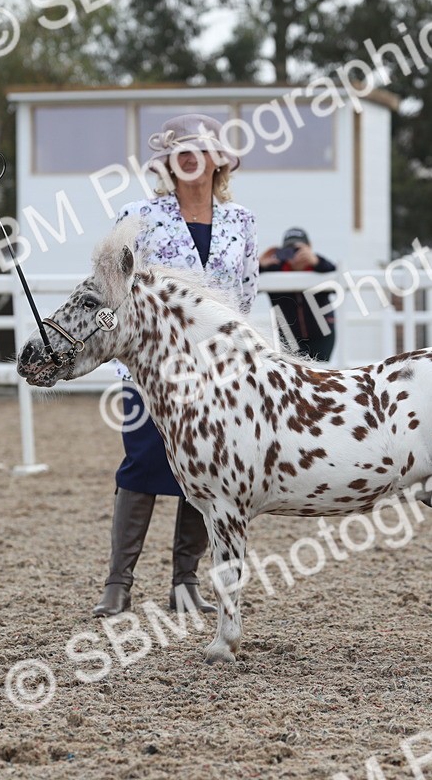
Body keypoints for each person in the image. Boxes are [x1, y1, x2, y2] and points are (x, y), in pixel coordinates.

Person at [93, 113, 259, 618]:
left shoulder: (242, 222)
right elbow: (110, 286)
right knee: (142, 466)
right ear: (167, 162)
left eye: (200, 149)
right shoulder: (137, 215)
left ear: (217, 162)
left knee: (205, 471)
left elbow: (246, 296)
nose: (190, 156)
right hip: (149, 370)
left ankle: (184, 584)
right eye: (180, 150)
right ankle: (117, 586)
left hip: (217, 371)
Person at [259, 228, 338, 361]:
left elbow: (337, 278)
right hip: (288, 336)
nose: (295, 254)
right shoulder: (274, 270)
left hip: (322, 333)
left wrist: (316, 261)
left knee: (321, 373)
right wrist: (259, 264)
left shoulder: (320, 267)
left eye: (299, 249)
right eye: (289, 250)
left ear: (309, 248)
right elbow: (248, 287)